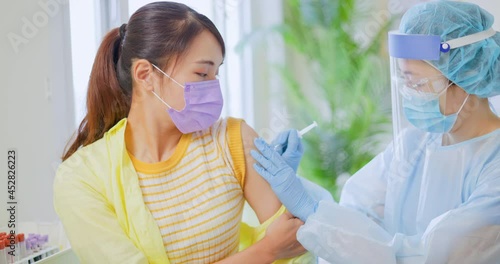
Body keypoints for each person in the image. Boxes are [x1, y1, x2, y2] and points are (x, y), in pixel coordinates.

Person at [53, 2, 313, 263]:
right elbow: (278, 246)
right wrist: (266, 250)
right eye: (202, 73)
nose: (214, 87)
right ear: (145, 75)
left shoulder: (232, 138)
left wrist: (296, 201)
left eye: (217, 73)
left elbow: (294, 243)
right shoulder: (81, 178)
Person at [251, 1, 500, 263]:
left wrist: (313, 212)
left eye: (418, 83)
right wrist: (298, 191)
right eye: (405, 81)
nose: (410, 94)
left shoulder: (494, 165)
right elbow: (355, 215)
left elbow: (426, 256)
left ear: (468, 75)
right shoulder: (414, 145)